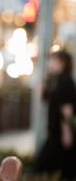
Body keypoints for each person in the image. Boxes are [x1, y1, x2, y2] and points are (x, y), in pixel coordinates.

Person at [35, 50, 76, 179]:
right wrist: (46, 77)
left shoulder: (66, 80)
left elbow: (67, 109)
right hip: (55, 131)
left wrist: (67, 132)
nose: (50, 64)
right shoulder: (55, 80)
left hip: (61, 131)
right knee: (63, 166)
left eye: (53, 60)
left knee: (44, 164)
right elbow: (41, 95)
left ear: (61, 63)